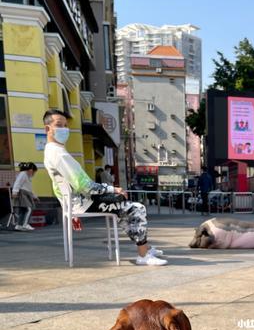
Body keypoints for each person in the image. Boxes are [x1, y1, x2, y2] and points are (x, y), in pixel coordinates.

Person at [42, 109, 166, 266]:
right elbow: (84, 185)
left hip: (77, 202)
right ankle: (143, 255)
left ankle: (145, 248)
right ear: (47, 129)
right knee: (137, 208)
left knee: (124, 208)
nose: (65, 129)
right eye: (59, 125)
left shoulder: (52, 151)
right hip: (83, 203)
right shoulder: (59, 154)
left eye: (66, 125)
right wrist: (112, 189)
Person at [12, 162, 38, 231]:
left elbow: (29, 188)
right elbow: (18, 183)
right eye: (34, 172)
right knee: (29, 208)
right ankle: (25, 224)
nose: (33, 174)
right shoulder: (23, 174)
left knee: (23, 210)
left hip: (26, 193)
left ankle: (19, 225)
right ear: (31, 170)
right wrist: (15, 191)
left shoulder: (27, 176)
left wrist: (34, 196)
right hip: (22, 193)